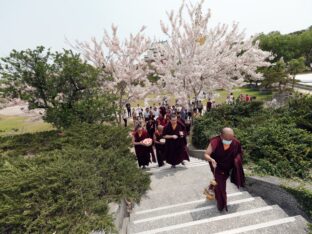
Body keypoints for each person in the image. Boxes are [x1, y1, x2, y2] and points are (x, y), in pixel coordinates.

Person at [204, 128, 245, 212]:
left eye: (231, 138)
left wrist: (237, 160)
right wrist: (211, 160)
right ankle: (221, 204)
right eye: (227, 139)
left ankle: (211, 187)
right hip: (217, 166)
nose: (230, 140)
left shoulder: (236, 142)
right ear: (221, 136)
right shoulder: (215, 142)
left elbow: (239, 153)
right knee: (221, 185)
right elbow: (206, 154)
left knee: (219, 181)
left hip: (228, 167)